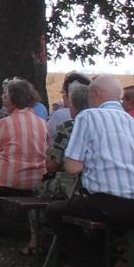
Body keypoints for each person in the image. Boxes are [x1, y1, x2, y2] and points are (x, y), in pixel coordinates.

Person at [44, 75, 134, 267]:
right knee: (93, 211)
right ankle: (114, 263)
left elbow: (73, 167)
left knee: (56, 211)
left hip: (111, 203)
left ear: (95, 94)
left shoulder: (88, 117)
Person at [26, 81, 90, 254]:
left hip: (72, 186)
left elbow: (53, 165)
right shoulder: (103, 127)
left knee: (38, 190)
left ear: (73, 104)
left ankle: (35, 239)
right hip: (97, 189)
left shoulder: (68, 127)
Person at [0, 78, 47, 193]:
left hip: (9, 180)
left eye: (5, 95)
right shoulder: (42, 123)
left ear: (14, 99)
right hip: (37, 179)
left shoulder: (4, 123)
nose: (2, 98)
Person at [47, 72, 91, 139]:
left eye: (64, 92)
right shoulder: (96, 114)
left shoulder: (59, 115)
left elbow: (46, 137)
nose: (63, 96)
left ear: (71, 95)